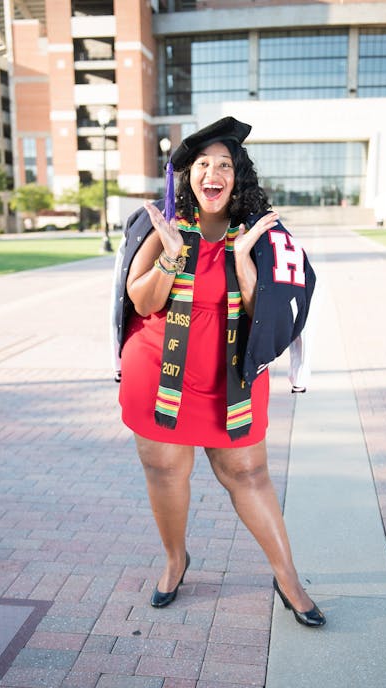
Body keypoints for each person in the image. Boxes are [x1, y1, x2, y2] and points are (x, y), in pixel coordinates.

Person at [111, 116, 325, 627]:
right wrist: (170, 258)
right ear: (187, 175)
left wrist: (247, 266)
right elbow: (141, 302)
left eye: (224, 164)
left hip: (230, 376)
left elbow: (269, 318)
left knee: (248, 474)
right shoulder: (164, 226)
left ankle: (288, 576)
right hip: (161, 371)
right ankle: (175, 560)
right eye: (203, 163)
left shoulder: (262, 235)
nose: (213, 172)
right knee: (166, 471)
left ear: (238, 175)